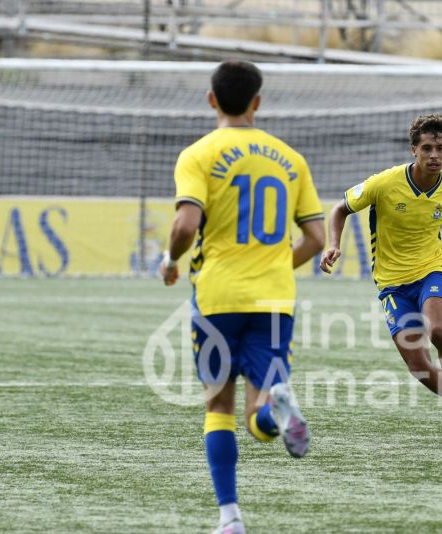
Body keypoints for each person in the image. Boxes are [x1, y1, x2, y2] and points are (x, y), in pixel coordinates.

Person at [159, 60, 326, 533]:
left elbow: (185, 225)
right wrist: (275, 265)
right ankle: (276, 410)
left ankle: (230, 518)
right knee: (257, 412)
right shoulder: (290, 158)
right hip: (274, 300)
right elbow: (316, 238)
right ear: (258, 101)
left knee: (219, 407)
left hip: (217, 297)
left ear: (211, 99)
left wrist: (170, 260)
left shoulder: (199, 154)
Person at [320, 113, 442, 446]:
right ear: (414, 150)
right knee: (419, 366)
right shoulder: (385, 183)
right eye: (427, 148)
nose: (434, 155)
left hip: (431, 271)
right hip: (391, 284)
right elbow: (340, 209)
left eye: (440, 148)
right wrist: (334, 244)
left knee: (438, 330)